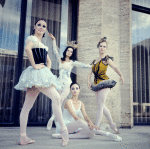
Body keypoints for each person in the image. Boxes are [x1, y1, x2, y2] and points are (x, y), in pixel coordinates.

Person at [14, 19, 69, 146]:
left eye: (44, 26)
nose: (41, 27)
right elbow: (27, 49)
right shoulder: (32, 39)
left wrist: (46, 72)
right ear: (34, 26)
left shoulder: (42, 44)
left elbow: (48, 61)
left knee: (27, 107)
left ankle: (23, 137)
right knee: (56, 97)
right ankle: (63, 130)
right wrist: (35, 66)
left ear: (45, 30)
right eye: (39, 25)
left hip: (40, 76)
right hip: (35, 74)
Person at [46, 34, 91, 130]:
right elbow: (54, 50)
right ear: (65, 51)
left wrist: (92, 65)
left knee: (61, 99)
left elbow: (82, 65)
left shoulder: (72, 62)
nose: (69, 52)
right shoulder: (60, 60)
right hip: (58, 83)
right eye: (68, 50)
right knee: (57, 101)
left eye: (71, 51)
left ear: (72, 53)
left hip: (67, 84)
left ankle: (52, 117)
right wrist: (54, 40)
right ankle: (57, 121)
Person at [52, 82, 122, 142]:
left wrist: (91, 124)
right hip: (66, 125)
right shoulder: (68, 102)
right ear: (70, 91)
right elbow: (75, 117)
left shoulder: (81, 103)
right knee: (80, 122)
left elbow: (85, 116)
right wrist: (89, 125)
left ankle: (62, 136)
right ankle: (108, 134)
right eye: (72, 89)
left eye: (77, 88)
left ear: (79, 90)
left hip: (75, 126)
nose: (75, 90)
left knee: (91, 134)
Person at [87, 37, 124, 134]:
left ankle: (96, 127)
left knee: (100, 106)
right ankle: (112, 125)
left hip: (105, 82)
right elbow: (90, 73)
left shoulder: (106, 59)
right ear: (98, 47)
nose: (102, 48)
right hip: (96, 84)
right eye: (100, 46)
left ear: (106, 48)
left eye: (104, 46)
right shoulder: (94, 61)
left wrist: (121, 75)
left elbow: (115, 67)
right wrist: (88, 81)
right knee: (101, 106)